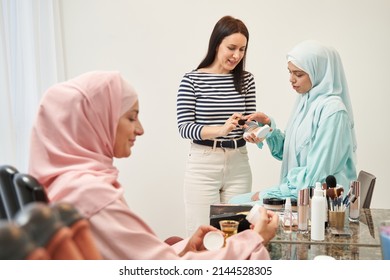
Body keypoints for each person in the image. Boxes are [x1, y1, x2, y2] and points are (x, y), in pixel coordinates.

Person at [28, 71, 278, 259]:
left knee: (179, 240)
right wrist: (253, 240)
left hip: (237, 158)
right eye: (131, 117)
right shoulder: (90, 195)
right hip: (204, 161)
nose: (140, 129)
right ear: (94, 121)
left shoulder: (67, 184)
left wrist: (183, 248)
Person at [229, 40, 357, 205]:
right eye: (290, 72)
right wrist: (268, 128)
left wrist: (269, 193)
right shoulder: (306, 102)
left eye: (299, 74)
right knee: (233, 203)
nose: (291, 79)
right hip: (299, 192)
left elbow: (316, 177)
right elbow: (288, 153)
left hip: (319, 200)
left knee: (234, 207)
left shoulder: (333, 112)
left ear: (318, 72)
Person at [177, 15, 259, 236]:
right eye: (231, 48)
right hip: (203, 165)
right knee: (203, 237)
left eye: (242, 49)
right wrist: (221, 130)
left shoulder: (246, 79)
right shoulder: (192, 80)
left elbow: (248, 122)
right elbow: (184, 127)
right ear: (216, 44)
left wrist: (254, 131)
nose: (237, 55)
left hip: (239, 163)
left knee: (237, 237)